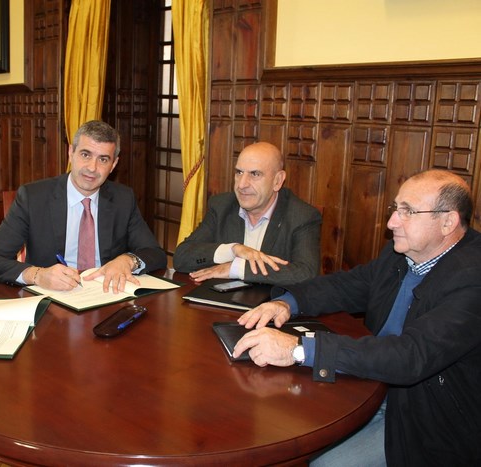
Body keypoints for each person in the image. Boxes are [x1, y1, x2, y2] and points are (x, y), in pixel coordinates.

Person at [232, 169, 481, 466]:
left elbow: (411, 356)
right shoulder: (402, 253)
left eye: (408, 212)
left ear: (448, 221)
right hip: (372, 385)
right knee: (270, 420)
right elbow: (349, 285)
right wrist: (289, 302)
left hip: (427, 417)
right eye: (395, 208)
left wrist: (298, 350)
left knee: (322, 463)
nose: (391, 223)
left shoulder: (472, 278)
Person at [0, 120, 167, 293]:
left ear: (114, 164)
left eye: (103, 159)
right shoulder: (34, 197)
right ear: (70, 152)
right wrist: (37, 275)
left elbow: (155, 253)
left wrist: (126, 261)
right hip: (52, 301)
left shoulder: (123, 199)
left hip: (107, 296)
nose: (92, 168)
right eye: (85, 154)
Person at [173, 141, 322, 285]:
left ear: (278, 180)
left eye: (255, 174)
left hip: (270, 306)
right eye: (239, 172)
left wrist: (236, 268)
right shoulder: (221, 206)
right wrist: (233, 250)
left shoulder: (302, 216)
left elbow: (306, 273)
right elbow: (181, 257)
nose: (242, 185)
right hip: (220, 303)